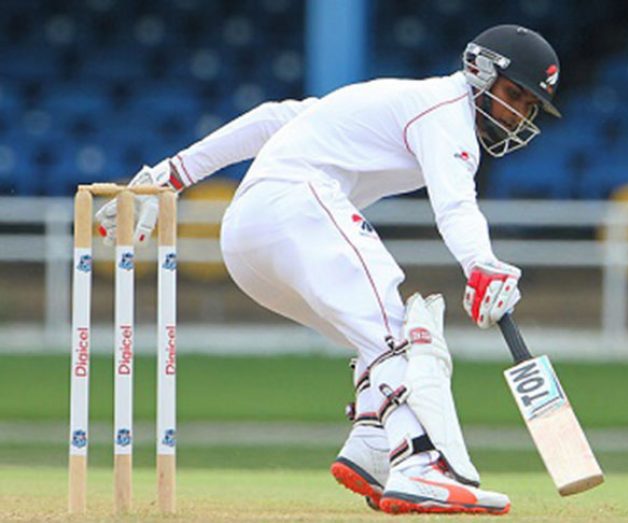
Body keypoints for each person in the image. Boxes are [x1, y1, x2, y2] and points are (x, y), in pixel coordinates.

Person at [96, 24, 561, 515]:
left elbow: (273, 118)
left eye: (530, 108)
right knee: (401, 334)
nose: (518, 115)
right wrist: (481, 264)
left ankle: (374, 444)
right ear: (479, 72)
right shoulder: (446, 113)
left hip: (247, 240)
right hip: (296, 205)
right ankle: (419, 463)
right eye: (515, 95)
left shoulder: (401, 99)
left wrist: (173, 173)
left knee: (374, 338)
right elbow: (455, 207)